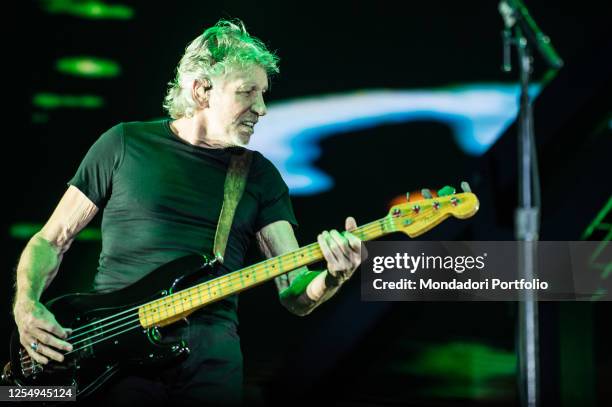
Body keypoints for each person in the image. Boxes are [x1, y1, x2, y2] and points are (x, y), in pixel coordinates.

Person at [12, 19, 362, 406]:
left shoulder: (260, 176)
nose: (261, 108)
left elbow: (295, 292)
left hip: (209, 362)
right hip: (112, 350)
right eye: (248, 92)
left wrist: (332, 277)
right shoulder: (124, 143)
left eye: (263, 94)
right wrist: (26, 304)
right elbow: (50, 239)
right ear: (201, 91)